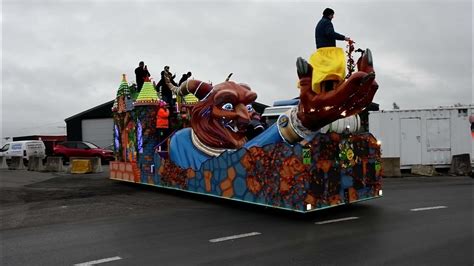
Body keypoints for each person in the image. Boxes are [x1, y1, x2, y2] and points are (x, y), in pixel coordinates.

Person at [312, 8, 352, 93]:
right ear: (329, 15)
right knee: (336, 68)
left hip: (320, 51)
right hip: (328, 50)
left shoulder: (319, 23)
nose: (333, 17)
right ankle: (331, 90)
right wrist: (344, 38)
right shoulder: (327, 22)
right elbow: (330, 33)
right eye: (332, 15)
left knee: (324, 71)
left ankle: (323, 90)